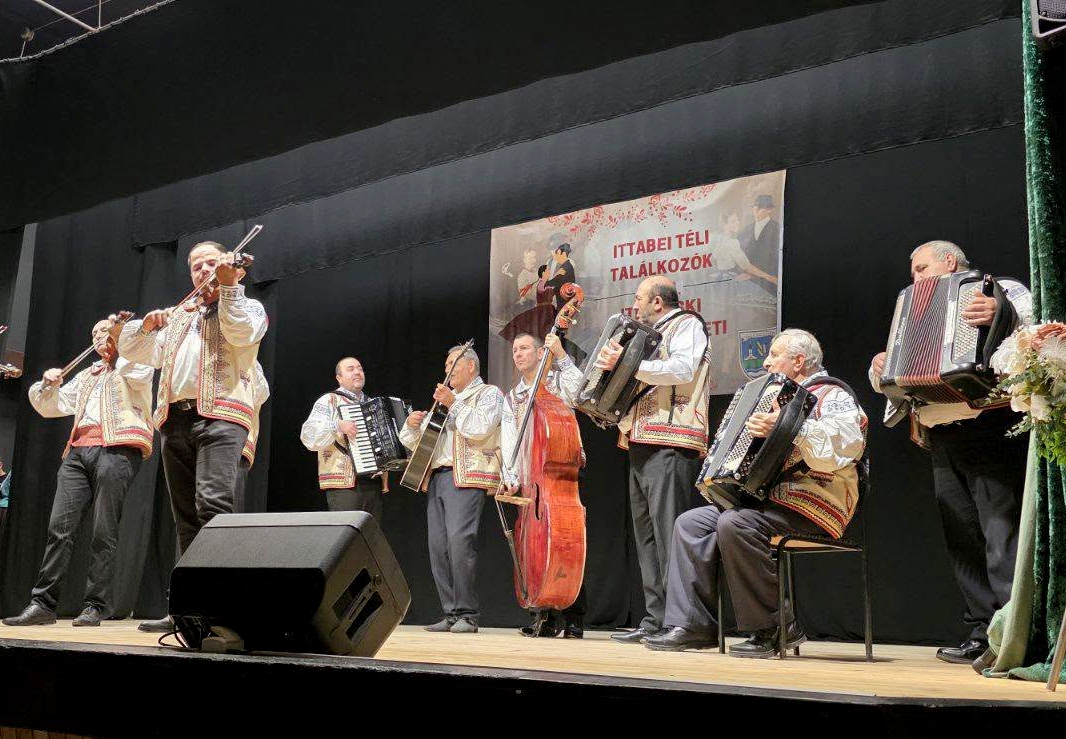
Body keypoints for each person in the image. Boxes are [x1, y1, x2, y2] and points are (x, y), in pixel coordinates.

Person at [644, 329, 868, 657]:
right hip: (770, 503)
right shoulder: (773, 396)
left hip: (818, 503)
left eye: (774, 355)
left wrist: (790, 427)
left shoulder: (831, 394)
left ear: (798, 361)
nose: (765, 362)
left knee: (736, 523)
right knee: (691, 523)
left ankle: (776, 627)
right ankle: (694, 625)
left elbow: (849, 444)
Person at [869, 240, 1032, 664]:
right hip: (942, 433)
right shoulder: (911, 308)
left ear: (948, 260)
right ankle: (982, 630)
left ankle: (1015, 633)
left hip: (989, 424)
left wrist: (1000, 314)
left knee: (1001, 533)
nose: (915, 278)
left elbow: (1033, 334)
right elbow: (900, 373)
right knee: (962, 538)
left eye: (921, 268)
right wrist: (880, 368)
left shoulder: (1002, 290)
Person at [118, 241, 268, 633]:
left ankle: (220, 609)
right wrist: (145, 326)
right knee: (185, 518)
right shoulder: (180, 316)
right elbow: (133, 350)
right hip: (175, 421)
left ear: (225, 265)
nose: (203, 270)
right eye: (196, 265)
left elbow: (240, 333)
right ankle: (187, 608)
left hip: (221, 416)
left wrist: (229, 286)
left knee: (213, 508)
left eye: (210, 263)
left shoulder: (247, 306)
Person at [3, 316, 153, 627]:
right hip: (78, 452)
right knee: (59, 529)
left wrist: (121, 344)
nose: (99, 336)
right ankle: (43, 603)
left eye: (105, 331)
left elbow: (139, 373)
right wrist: (48, 385)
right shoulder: (88, 375)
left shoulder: (135, 363)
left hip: (117, 449)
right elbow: (51, 406)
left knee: (103, 531)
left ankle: (95, 605)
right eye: (95, 333)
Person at [594, 276, 712, 643]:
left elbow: (683, 368)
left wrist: (628, 365)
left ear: (658, 302)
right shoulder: (646, 334)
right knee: (646, 536)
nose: (635, 305)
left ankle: (686, 621)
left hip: (672, 439)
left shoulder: (687, 324)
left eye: (639, 298)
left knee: (670, 532)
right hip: (640, 439)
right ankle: (656, 619)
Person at [399, 345, 503, 634]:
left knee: (459, 543)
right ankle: (451, 612)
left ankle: (468, 613)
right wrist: (411, 426)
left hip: (464, 477)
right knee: (438, 547)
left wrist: (453, 402)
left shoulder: (488, 394)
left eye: (452, 363)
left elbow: (480, 428)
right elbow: (417, 442)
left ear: (470, 366)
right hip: (437, 477)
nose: (447, 370)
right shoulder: (446, 400)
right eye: (445, 365)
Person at [500, 332, 586, 638]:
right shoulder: (513, 397)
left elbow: (582, 394)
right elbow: (510, 439)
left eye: (524, 348)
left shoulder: (557, 382)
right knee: (533, 543)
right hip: (531, 479)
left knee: (569, 540)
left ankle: (573, 617)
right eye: (515, 350)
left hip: (560, 468)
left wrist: (561, 356)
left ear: (540, 353)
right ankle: (542, 613)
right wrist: (510, 476)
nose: (518, 354)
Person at [300, 357, 386, 518]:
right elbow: (308, 435)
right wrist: (337, 425)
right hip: (344, 485)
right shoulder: (329, 400)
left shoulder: (373, 404)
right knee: (347, 531)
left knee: (371, 532)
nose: (357, 372)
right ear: (339, 378)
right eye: (350, 369)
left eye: (360, 368)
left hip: (373, 482)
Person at [738, 193, 780, 286]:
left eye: (761, 207)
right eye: (755, 207)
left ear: (769, 210)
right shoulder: (747, 229)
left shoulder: (777, 229)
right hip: (748, 281)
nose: (756, 210)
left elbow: (776, 259)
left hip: (770, 282)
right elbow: (741, 254)